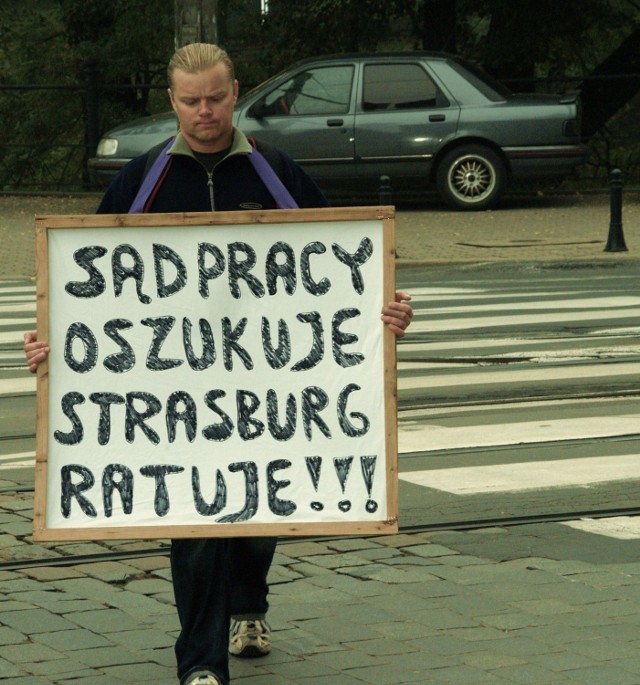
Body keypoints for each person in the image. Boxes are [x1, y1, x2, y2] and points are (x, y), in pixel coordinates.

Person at [24, 42, 413, 685]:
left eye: (217, 97)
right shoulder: (141, 179)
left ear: (237, 93)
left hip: (271, 381)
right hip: (176, 390)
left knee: (262, 514)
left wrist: (390, 311)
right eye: (190, 100)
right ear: (171, 100)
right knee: (197, 529)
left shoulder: (277, 171)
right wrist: (50, 343)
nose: (205, 111)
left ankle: (250, 606)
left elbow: (349, 264)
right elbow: (83, 281)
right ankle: (199, 665)